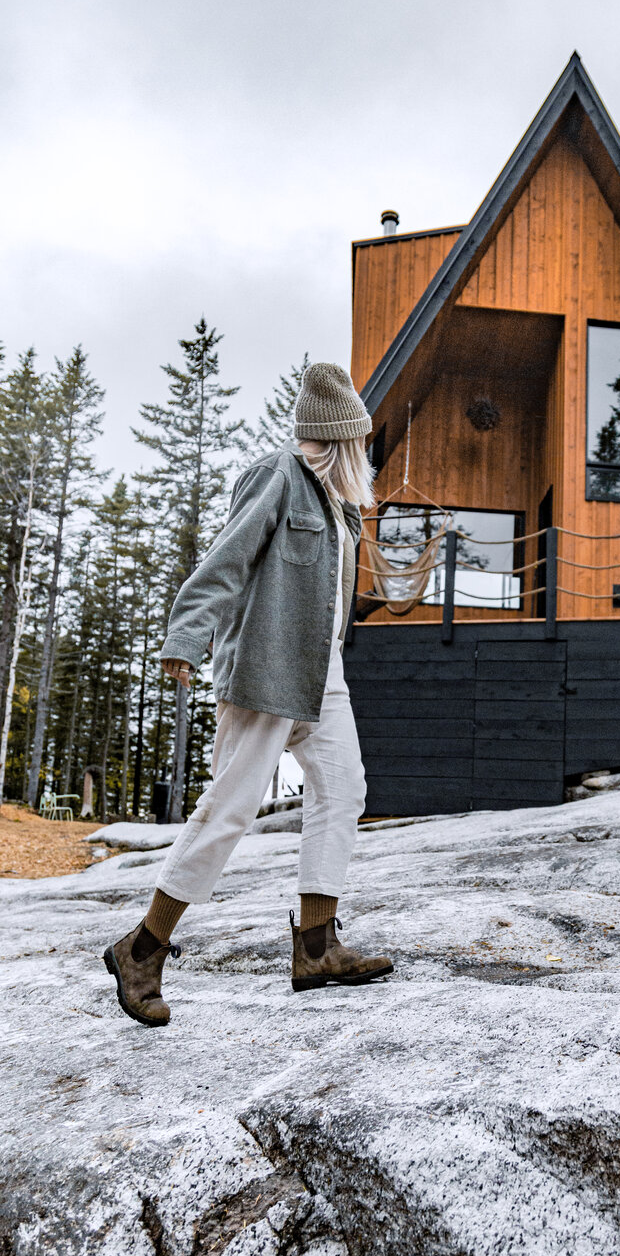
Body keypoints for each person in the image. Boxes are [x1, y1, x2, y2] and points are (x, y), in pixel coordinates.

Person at [103, 362, 393, 1027]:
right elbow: (226, 561)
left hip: (324, 675)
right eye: (360, 442)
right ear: (339, 439)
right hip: (265, 671)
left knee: (343, 790)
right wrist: (187, 633)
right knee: (230, 810)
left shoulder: (341, 506)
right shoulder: (276, 476)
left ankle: (317, 948)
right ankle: (141, 950)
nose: (366, 455)